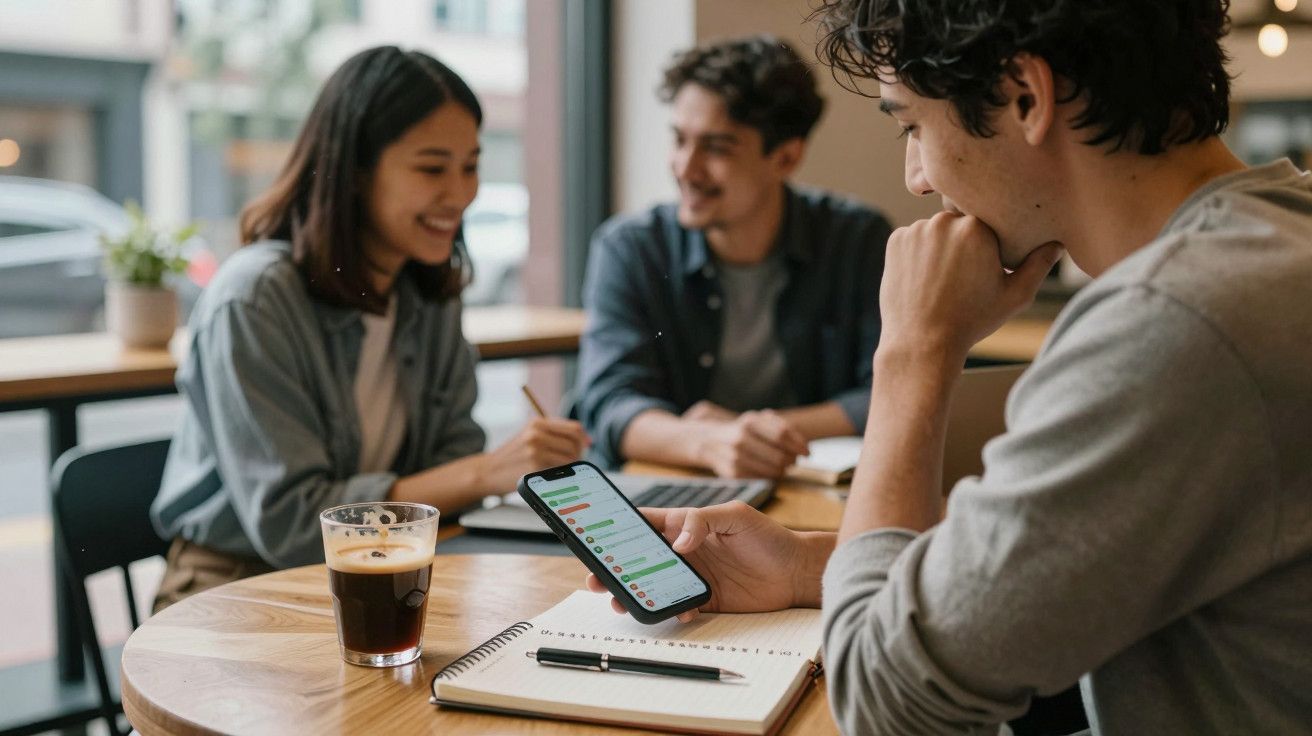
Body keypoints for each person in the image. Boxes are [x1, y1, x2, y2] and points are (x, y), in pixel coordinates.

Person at [586, 1, 1312, 732]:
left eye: (910, 126)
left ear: (1026, 96)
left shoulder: (1174, 327)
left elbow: (886, 705)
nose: (916, 180)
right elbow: (1076, 567)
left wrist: (912, 350)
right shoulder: (1276, 243)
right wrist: (810, 567)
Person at [151, 47, 589, 610]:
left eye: (471, 165)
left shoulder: (428, 292)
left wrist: (476, 472)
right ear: (355, 172)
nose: (461, 194)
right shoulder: (255, 299)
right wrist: (483, 473)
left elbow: (452, 451)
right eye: (433, 168)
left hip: (385, 567)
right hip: (239, 582)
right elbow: (294, 528)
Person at [575, 35, 893, 478]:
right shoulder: (631, 247)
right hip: (674, 485)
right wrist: (707, 443)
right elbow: (609, 402)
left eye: (717, 147)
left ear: (785, 157)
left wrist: (757, 434)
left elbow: (891, 390)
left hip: (805, 485)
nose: (686, 167)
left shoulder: (857, 239)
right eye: (680, 139)